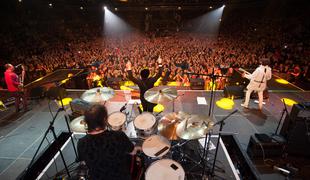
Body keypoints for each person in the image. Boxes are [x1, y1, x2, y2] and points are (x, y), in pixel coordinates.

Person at [77, 104, 141, 180]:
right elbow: (132, 152)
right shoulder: (118, 136)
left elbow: (84, 162)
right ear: (105, 120)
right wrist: (139, 148)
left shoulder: (81, 143)